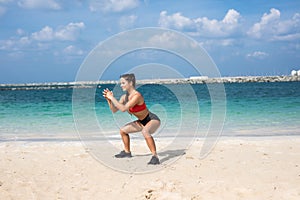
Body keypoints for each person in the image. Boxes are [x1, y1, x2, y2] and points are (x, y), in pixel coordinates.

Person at [102, 73, 161, 165]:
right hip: (141, 122)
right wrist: (109, 100)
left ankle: (155, 156)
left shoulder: (137, 96)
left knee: (145, 132)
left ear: (130, 83)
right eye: (120, 83)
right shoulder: (124, 97)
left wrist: (112, 97)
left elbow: (123, 108)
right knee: (123, 131)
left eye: (123, 83)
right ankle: (127, 152)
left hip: (152, 119)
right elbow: (114, 110)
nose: (121, 85)